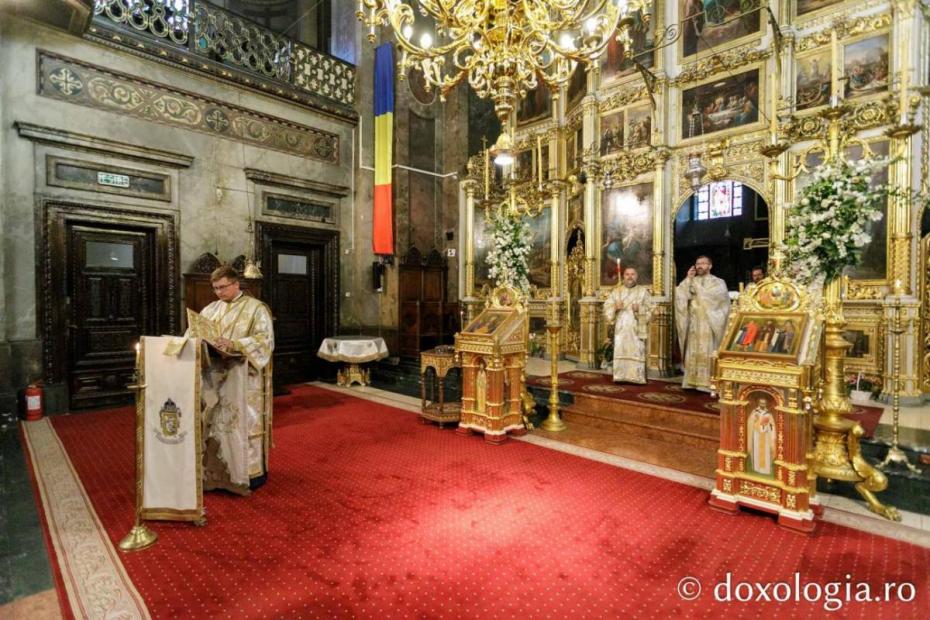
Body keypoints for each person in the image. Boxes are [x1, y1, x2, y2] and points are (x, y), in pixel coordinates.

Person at [197, 265, 274, 494]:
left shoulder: (256, 308)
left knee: (242, 426)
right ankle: (215, 474)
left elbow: (265, 340)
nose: (219, 292)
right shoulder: (210, 309)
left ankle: (247, 475)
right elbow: (196, 333)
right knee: (214, 424)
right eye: (215, 288)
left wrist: (236, 344)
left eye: (223, 287)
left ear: (235, 284)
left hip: (244, 378)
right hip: (213, 375)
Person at [675, 255, 730, 391]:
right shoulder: (691, 281)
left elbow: (718, 299)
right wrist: (688, 280)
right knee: (693, 351)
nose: (699, 266)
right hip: (694, 323)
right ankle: (690, 382)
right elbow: (680, 296)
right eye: (697, 263)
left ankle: (707, 383)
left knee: (707, 351)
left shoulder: (718, 282)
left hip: (709, 323)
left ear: (710, 266)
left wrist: (698, 290)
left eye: (703, 263)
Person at [604, 266, 654, 384]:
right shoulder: (616, 291)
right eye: (627, 274)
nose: (630, 276)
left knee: (637, 350)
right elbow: (606, 309)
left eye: (633, 274)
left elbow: (652, 310)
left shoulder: (643, 292)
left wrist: (640, 309)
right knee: (621, 349)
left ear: (636, 277)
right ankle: (620, 376)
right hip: (621, 329)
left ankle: (637, 377)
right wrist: (615, 307)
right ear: (623, 276)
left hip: (636, 328)